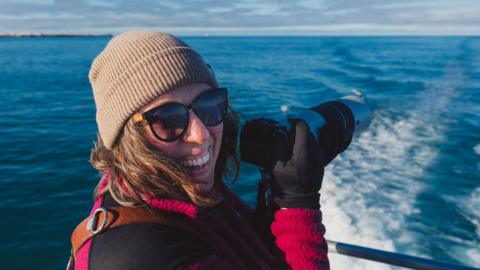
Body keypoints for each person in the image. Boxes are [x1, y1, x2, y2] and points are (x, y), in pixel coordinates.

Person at [68, 30, 330, 270]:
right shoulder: (143, 256)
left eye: (209, 105)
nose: (201, 134)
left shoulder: (187, 195)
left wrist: (275, 191)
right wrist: (297, 202)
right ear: (127, 139)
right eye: (167, 120)